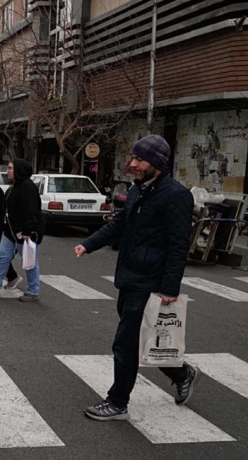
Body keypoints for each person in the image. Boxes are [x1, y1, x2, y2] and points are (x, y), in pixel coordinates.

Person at [74, 134, 199, 421]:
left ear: (156, 162)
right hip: (129, 276)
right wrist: (89, 244)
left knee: (125, 343)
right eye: (133, 158)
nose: (133, 164)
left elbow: (179, 245)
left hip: (150, 281)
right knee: (144, 340)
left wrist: (170, 287)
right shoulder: (137, 189)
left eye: (139, 160)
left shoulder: (176, 196)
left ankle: (117, 402)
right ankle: (183, 373)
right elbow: (119, 224)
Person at [0, 159, 43, 302]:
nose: (8, 171)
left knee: (29, 261)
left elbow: (32, 211)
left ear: (19, 170)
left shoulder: (28, 187)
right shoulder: (14, 186)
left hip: (25, 233)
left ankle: (33, 291)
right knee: (3, 257)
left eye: (10, 168)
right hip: (10, 232)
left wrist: (27, 231)